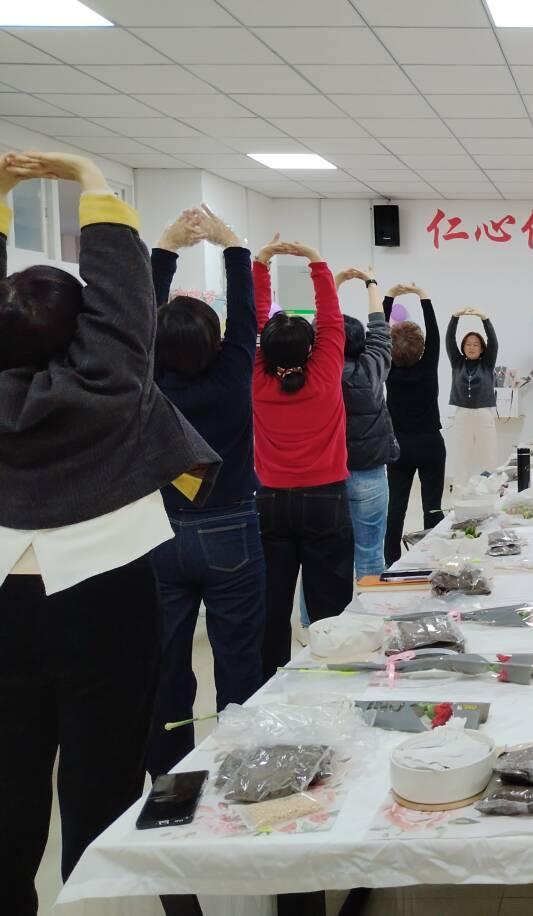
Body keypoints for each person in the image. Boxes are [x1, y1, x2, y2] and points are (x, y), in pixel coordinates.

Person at [0, 151, 220, 916]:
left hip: (6, 594)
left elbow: (118, 312)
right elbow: (125, 306)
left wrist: (3, 201)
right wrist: (91, 182)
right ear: (84, 334)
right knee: (103, 785)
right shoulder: (108, 383)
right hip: (103, 591)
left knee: (8, 791)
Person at [146, 204, 265, 777]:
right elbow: (246, 315)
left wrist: (166, 249)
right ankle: (240, 767)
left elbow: (135, 325)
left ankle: (169, 777)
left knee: (164, 663)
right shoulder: (233, 371)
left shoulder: (146, 382)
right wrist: (231, 244)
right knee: (238, 657)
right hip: (230, 527)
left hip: (158, 530)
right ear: (216, 341)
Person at [253, 234, 352, 681]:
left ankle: (271, 683)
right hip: (325, 498)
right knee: (330, 602)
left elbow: (252, 320)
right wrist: (315, 259)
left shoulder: (256, 378)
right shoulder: (326, 373)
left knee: (271, 604)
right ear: (311, 349)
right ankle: (330, 681)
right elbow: (331, 319)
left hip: (270, 501)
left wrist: (260, 263)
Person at [334, 268, 398, 581]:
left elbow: (321, 329)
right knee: (371, 552)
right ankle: (372, 610)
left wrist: (333, 283)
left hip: (329, 474)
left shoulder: (320, 374)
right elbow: (380, 330)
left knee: (325, 557)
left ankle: (319, 614)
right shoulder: (373, 367)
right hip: (370, 471)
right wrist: (371, 284)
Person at [383, 283, 445, 566]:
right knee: (432, 507)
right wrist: (424, 296)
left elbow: (377, 335)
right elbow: (435, 334)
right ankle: (433, 560)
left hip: (399, 445)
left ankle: (391, 561)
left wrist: (388, 297)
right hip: (430, 443)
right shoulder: (428, 365)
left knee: (395, 507)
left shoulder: (388, 368)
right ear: (421, 348)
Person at [445, 307, 498, 484]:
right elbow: (449, 339)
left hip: (484, 414)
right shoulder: (457, 362)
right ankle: (459, 489)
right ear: (463, 347)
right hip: (462, 414)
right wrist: (455, 317)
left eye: (476, 344)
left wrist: (484, 318)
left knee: (488, 455)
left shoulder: (487, 363)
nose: (472, 347)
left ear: (482, 348)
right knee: (461, 456)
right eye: (468, 344)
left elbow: (493, 341)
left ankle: (490, 488)